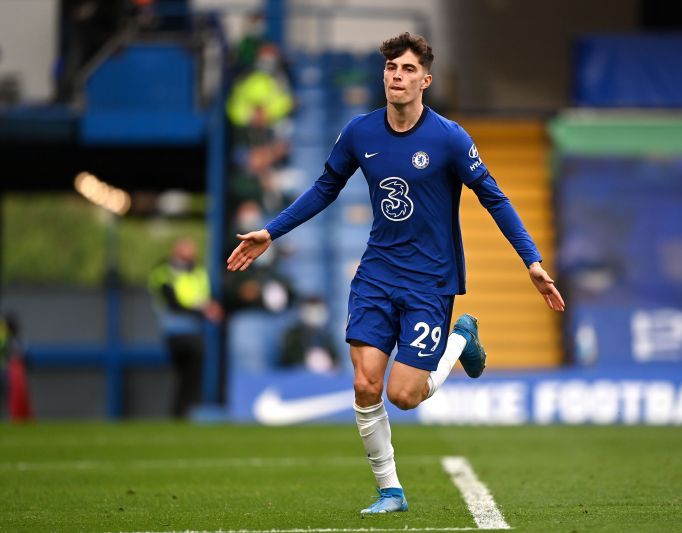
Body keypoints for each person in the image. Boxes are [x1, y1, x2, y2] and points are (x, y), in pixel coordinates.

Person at [227, 32, 565, 514]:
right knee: (365, 385)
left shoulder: (449, 138)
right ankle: (391, 491)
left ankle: (459, 339)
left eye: (407, 70)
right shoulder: (360, 133)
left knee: (404, 395)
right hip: (377, 275)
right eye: (390, 69)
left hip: (430, 281)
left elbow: (494, 197)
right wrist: (270, 232)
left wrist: (531, 260)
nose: (397, 77)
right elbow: (324, 189)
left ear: (425, 80)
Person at [149, 237, 222, 418]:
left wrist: (209, 308)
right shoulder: (164, 271)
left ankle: (182, 412)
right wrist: (203, 309)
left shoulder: (198, 271)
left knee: (189, 372)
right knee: (188, 366)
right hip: (174, 330)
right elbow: (172, 302)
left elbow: (205, 295)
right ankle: (183, 410)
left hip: (194, 329)